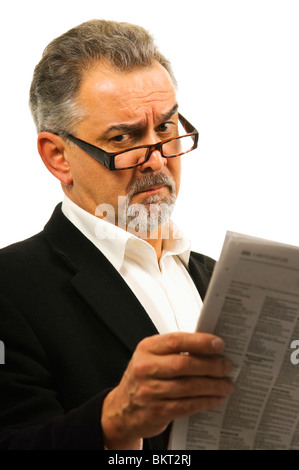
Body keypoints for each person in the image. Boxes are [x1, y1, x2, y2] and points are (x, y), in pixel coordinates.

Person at [0, 19, 234, 450]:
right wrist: (111, 423)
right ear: (58, 157)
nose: (156, 160)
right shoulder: (8, 287)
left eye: (165, 128)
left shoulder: (222, 279)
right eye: (124, 138)